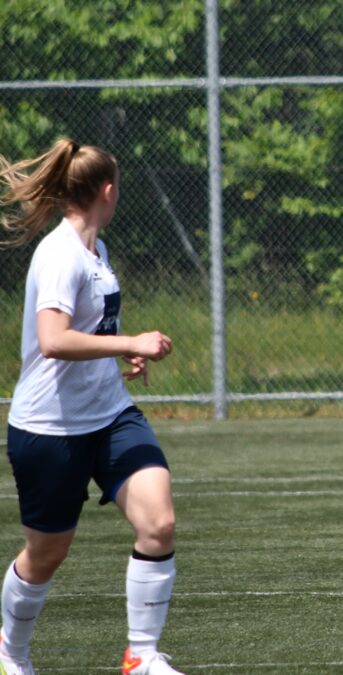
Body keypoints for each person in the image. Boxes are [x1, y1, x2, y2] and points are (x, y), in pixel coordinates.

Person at [0, 139, 184, 674]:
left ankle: (140, 658)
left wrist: (121, 353)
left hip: (109, 415)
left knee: (159, 523)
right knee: (46, 555)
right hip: (49, 428)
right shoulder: (59, 256)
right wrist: (129, 343)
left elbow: (89, 330)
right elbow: (53, 339)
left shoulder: (95, 251)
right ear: (108, 191)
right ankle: (9, 651)